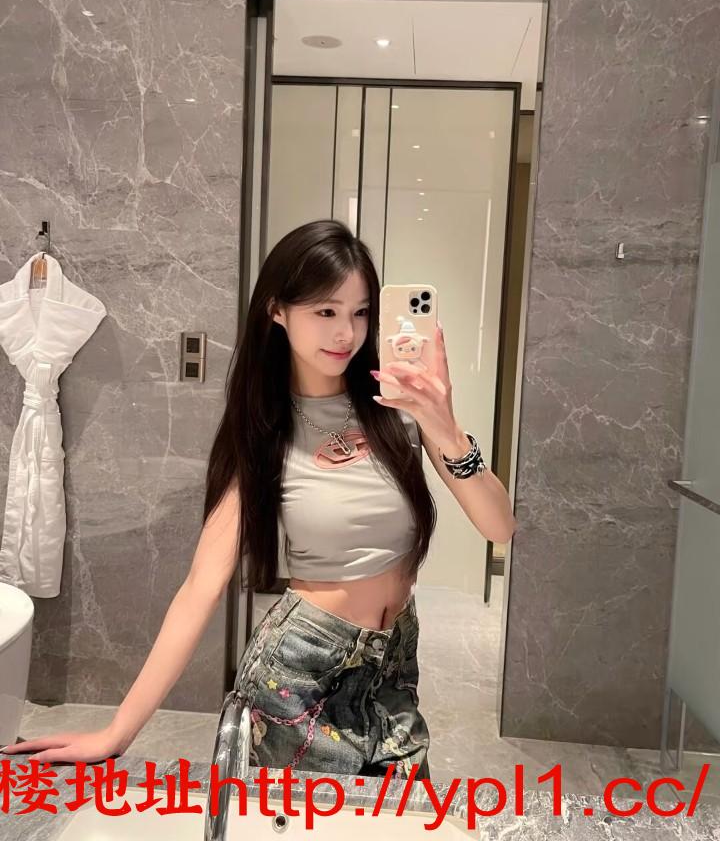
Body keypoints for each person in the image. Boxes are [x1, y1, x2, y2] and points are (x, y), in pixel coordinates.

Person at [1, 219, 516, 780]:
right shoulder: (264, 433)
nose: (346, 332)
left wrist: (446, 429)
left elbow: (500, 527)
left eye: (361, 312)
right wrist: (116, 731)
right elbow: (201, 587)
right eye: (325, 311)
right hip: (300, 675)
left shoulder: (397, 408)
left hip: (391, 675)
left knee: (405, 817)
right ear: (277, 311)